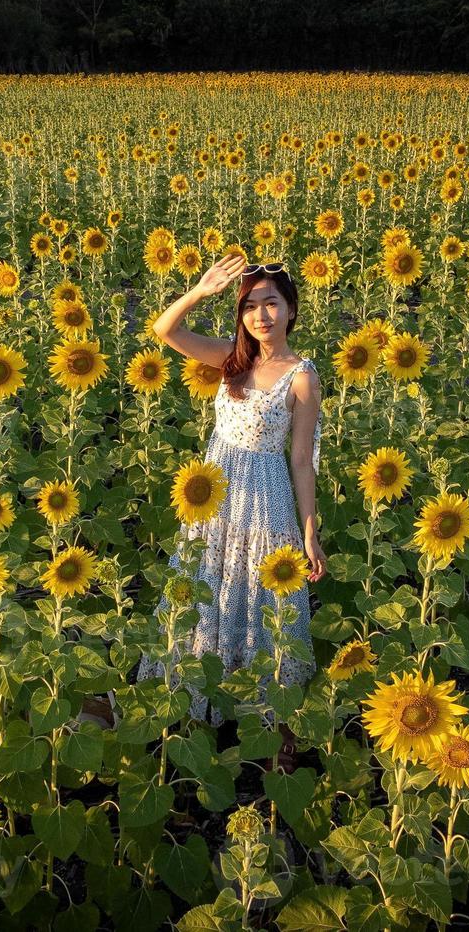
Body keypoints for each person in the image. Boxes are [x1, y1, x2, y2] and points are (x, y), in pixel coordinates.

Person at [88, 252, 326, 772]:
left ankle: (272, 727)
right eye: (250, 307)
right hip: (215, 494)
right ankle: (189, 701)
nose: (261, 316)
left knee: (262, 606)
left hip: (264, 498)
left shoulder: (302, 377)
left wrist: (310, 533)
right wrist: (200, 291)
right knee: (206, 589)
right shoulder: (232, 359)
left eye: (272, 304)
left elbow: (302, 460)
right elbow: (163, 329)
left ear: (291, 310)